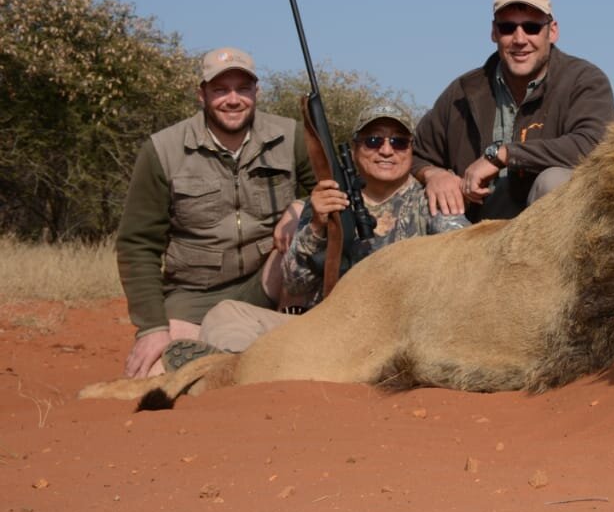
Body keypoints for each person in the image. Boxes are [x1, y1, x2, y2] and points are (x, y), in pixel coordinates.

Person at [181, 101, 440, 360]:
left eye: (398, 142)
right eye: (373, 141)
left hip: (396, 339)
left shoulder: (434, 201)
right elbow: (295, 283)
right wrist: (316, 225)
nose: (386, 150)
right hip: (323, 331)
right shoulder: (326, 200)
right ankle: (230, 373)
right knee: (226, 314)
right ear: (353, 150)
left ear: (411, 150)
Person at [115, 47, 316, 377]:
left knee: (309, 236)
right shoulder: (162, 150)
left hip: (269, 280)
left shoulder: (291, 136)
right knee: (154, 377)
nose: (233, 99)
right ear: (201, 94)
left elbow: (333, 193)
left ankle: (293, 334)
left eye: (243, 88)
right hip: (194, 295)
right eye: (220, 90)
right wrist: (152, 328)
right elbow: (138, 245)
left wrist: (300, 205)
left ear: (257, 91)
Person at [412, 0, 614, 224]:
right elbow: (412, 154)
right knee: (423, 196)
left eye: (531, 27)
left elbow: (595, 144)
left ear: (552, 31)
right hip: (477, 240)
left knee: (554, 181)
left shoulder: (584, 80)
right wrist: (433, 174)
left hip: (551, 243)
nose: (519, 39)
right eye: (508, 27)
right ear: (494, 32)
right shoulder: (463, 92)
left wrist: (504, 155)